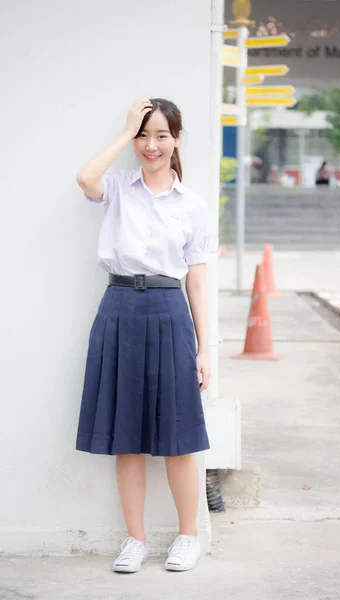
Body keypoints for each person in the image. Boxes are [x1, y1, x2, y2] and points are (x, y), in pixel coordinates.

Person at [75, 98, 211, 574]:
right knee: (126, 433)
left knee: (178, 434)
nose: (150, 146)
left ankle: (188, 536)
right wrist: (123, 131)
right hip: (119, 309)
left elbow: (196, 280)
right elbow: (84, 178)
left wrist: (204, 349)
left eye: (161, 136)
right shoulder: (117, 187)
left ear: (176, 140)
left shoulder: (192, 205)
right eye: (143, 136)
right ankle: (135, 540)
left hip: (170, 310)